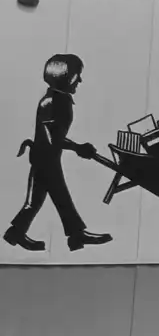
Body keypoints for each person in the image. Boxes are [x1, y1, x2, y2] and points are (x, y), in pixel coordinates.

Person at [4, 53, 112, 252]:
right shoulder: (52, 102)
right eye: (76, 75)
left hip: (47, 157)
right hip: (45, 158)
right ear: (64, 76)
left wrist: (78, 148)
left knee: (40, 200)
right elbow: (55, 137)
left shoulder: (60, 99)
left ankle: (18, 233)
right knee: (54, 198)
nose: (79, 80)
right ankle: (75, 236)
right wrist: (79, 148)